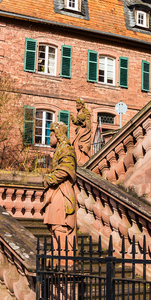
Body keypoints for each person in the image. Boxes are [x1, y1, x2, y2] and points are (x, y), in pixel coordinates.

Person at [42, 121, 77, 252]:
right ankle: (58, 252)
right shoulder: (59, 150)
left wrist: (49, 179)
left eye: (51, 135)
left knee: (59, 223)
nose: (49, 138)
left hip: (62, 191)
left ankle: (64, 254)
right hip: (56, 190)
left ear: (58, 135)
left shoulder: (66, 149)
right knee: (54, 225)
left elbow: (66, 169)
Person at [71, 98, 92, 166]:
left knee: (81, 144)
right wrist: (74, 120)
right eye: (76, 104)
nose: (77, 105)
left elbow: (88, 121)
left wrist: (84, 123)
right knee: (75, 143)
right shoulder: (78, 112)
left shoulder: (85, 112)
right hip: (79, 130)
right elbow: (77, 122)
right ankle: (77, 159)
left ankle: (83, 160)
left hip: (84, 131)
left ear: (82, 105)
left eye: (78, 104)